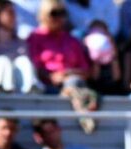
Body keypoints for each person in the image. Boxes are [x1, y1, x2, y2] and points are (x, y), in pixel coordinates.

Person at [27, 0, 98, 132]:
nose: (59, 18)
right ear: (43, 15)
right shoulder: (34, 38)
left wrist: (68, 74)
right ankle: (85, 115)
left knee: (73, 82)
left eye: (62, 13)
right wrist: (51, 76)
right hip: (47, 87)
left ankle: (78, 106)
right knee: (77, 87)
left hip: (74, 82)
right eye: (54, 13)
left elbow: (87, 70)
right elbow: (34, 68)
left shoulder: (72, 40)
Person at [0, 0, 42, 95]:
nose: (14, 17)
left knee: (23, 61)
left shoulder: (20, 43)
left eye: (14, 12)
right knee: (3, 61)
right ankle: (5, 91)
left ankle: (32, 92)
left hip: (16, 87)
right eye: (9, 12)